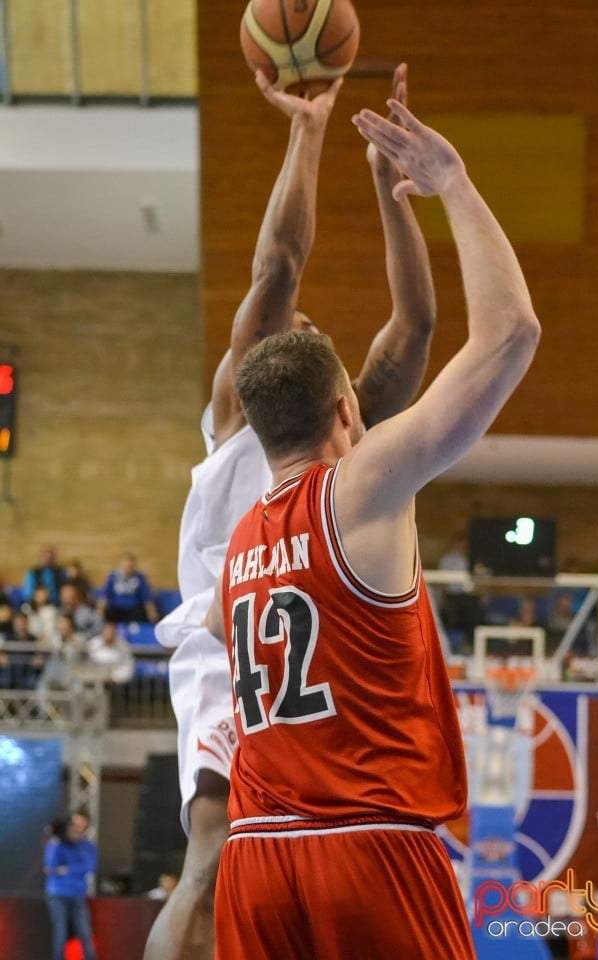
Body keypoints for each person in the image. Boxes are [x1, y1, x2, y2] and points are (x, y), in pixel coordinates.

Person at [209, 98, 540, 958]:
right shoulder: (360, 489)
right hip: (366, 843)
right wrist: (453, 184)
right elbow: (510, 334)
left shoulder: (243, 542)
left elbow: (218, 625)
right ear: (347, 410)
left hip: (255, 856)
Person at [145, 64, 437, 960]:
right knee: (209, 854)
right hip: (230, 642)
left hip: (317, 659)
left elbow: (415, 324)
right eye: (283, 323)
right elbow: (278, 263)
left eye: (308, 327)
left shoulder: (346, 425)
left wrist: (396, 193)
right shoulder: (248, 399)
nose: (293, 323)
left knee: (314, 858)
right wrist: (305, 133)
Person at [44, 810, 98, 960]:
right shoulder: (57, 843)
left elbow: (88, 868)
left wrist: (67, 869)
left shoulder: (88, 846)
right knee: (60, 933)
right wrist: (55, 843)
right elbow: (51, 868)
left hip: (78, 894)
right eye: (75, 824)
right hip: (57, 894)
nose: (77, 827)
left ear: (86, 826)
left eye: (81, 824)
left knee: (85, 934)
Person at [98, 552, 158, 624]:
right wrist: (100, 610)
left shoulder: (140, 577)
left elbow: (147, 597)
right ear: (121, 565)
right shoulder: (113, 576)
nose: (128, 568)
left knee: (142, 614)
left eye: (130, 566)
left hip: (133, 610)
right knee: (107, 613)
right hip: (117, 609)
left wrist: (151, 612)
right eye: (125, 566)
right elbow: (105, 595)